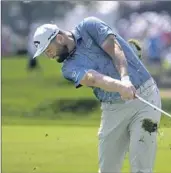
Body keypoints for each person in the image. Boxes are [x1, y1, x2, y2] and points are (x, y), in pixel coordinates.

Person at [32, 17, 161, 173]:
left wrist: (125, 78)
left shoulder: (89, 26)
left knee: (141, 168)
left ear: (59, 38)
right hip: (112, 110)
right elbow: (92, 78)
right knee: (107, 169)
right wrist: (121, 86)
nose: (49, 56)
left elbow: (115, 49)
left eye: (48, 49)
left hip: (145, 98)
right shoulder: (68, 68)